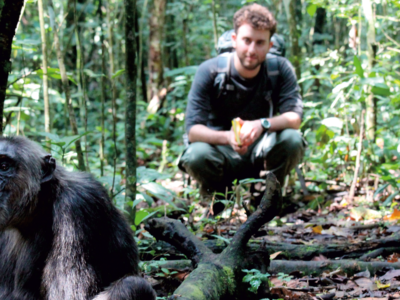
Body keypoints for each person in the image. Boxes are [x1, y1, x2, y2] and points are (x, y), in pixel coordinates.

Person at [178, 3, 305, 210]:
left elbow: (294, 118)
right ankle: (218, 201)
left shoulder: (279, 69)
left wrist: (261, 124)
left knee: (292, 138)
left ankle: (268, 200)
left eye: (260, 42)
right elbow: (193, 131)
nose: (252, 50)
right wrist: (228, 137)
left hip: (261, 149)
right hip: (220, 151)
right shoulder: (210, 71)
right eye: (246, 41)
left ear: (270, 45)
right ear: (235, 40)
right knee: (196, 154)